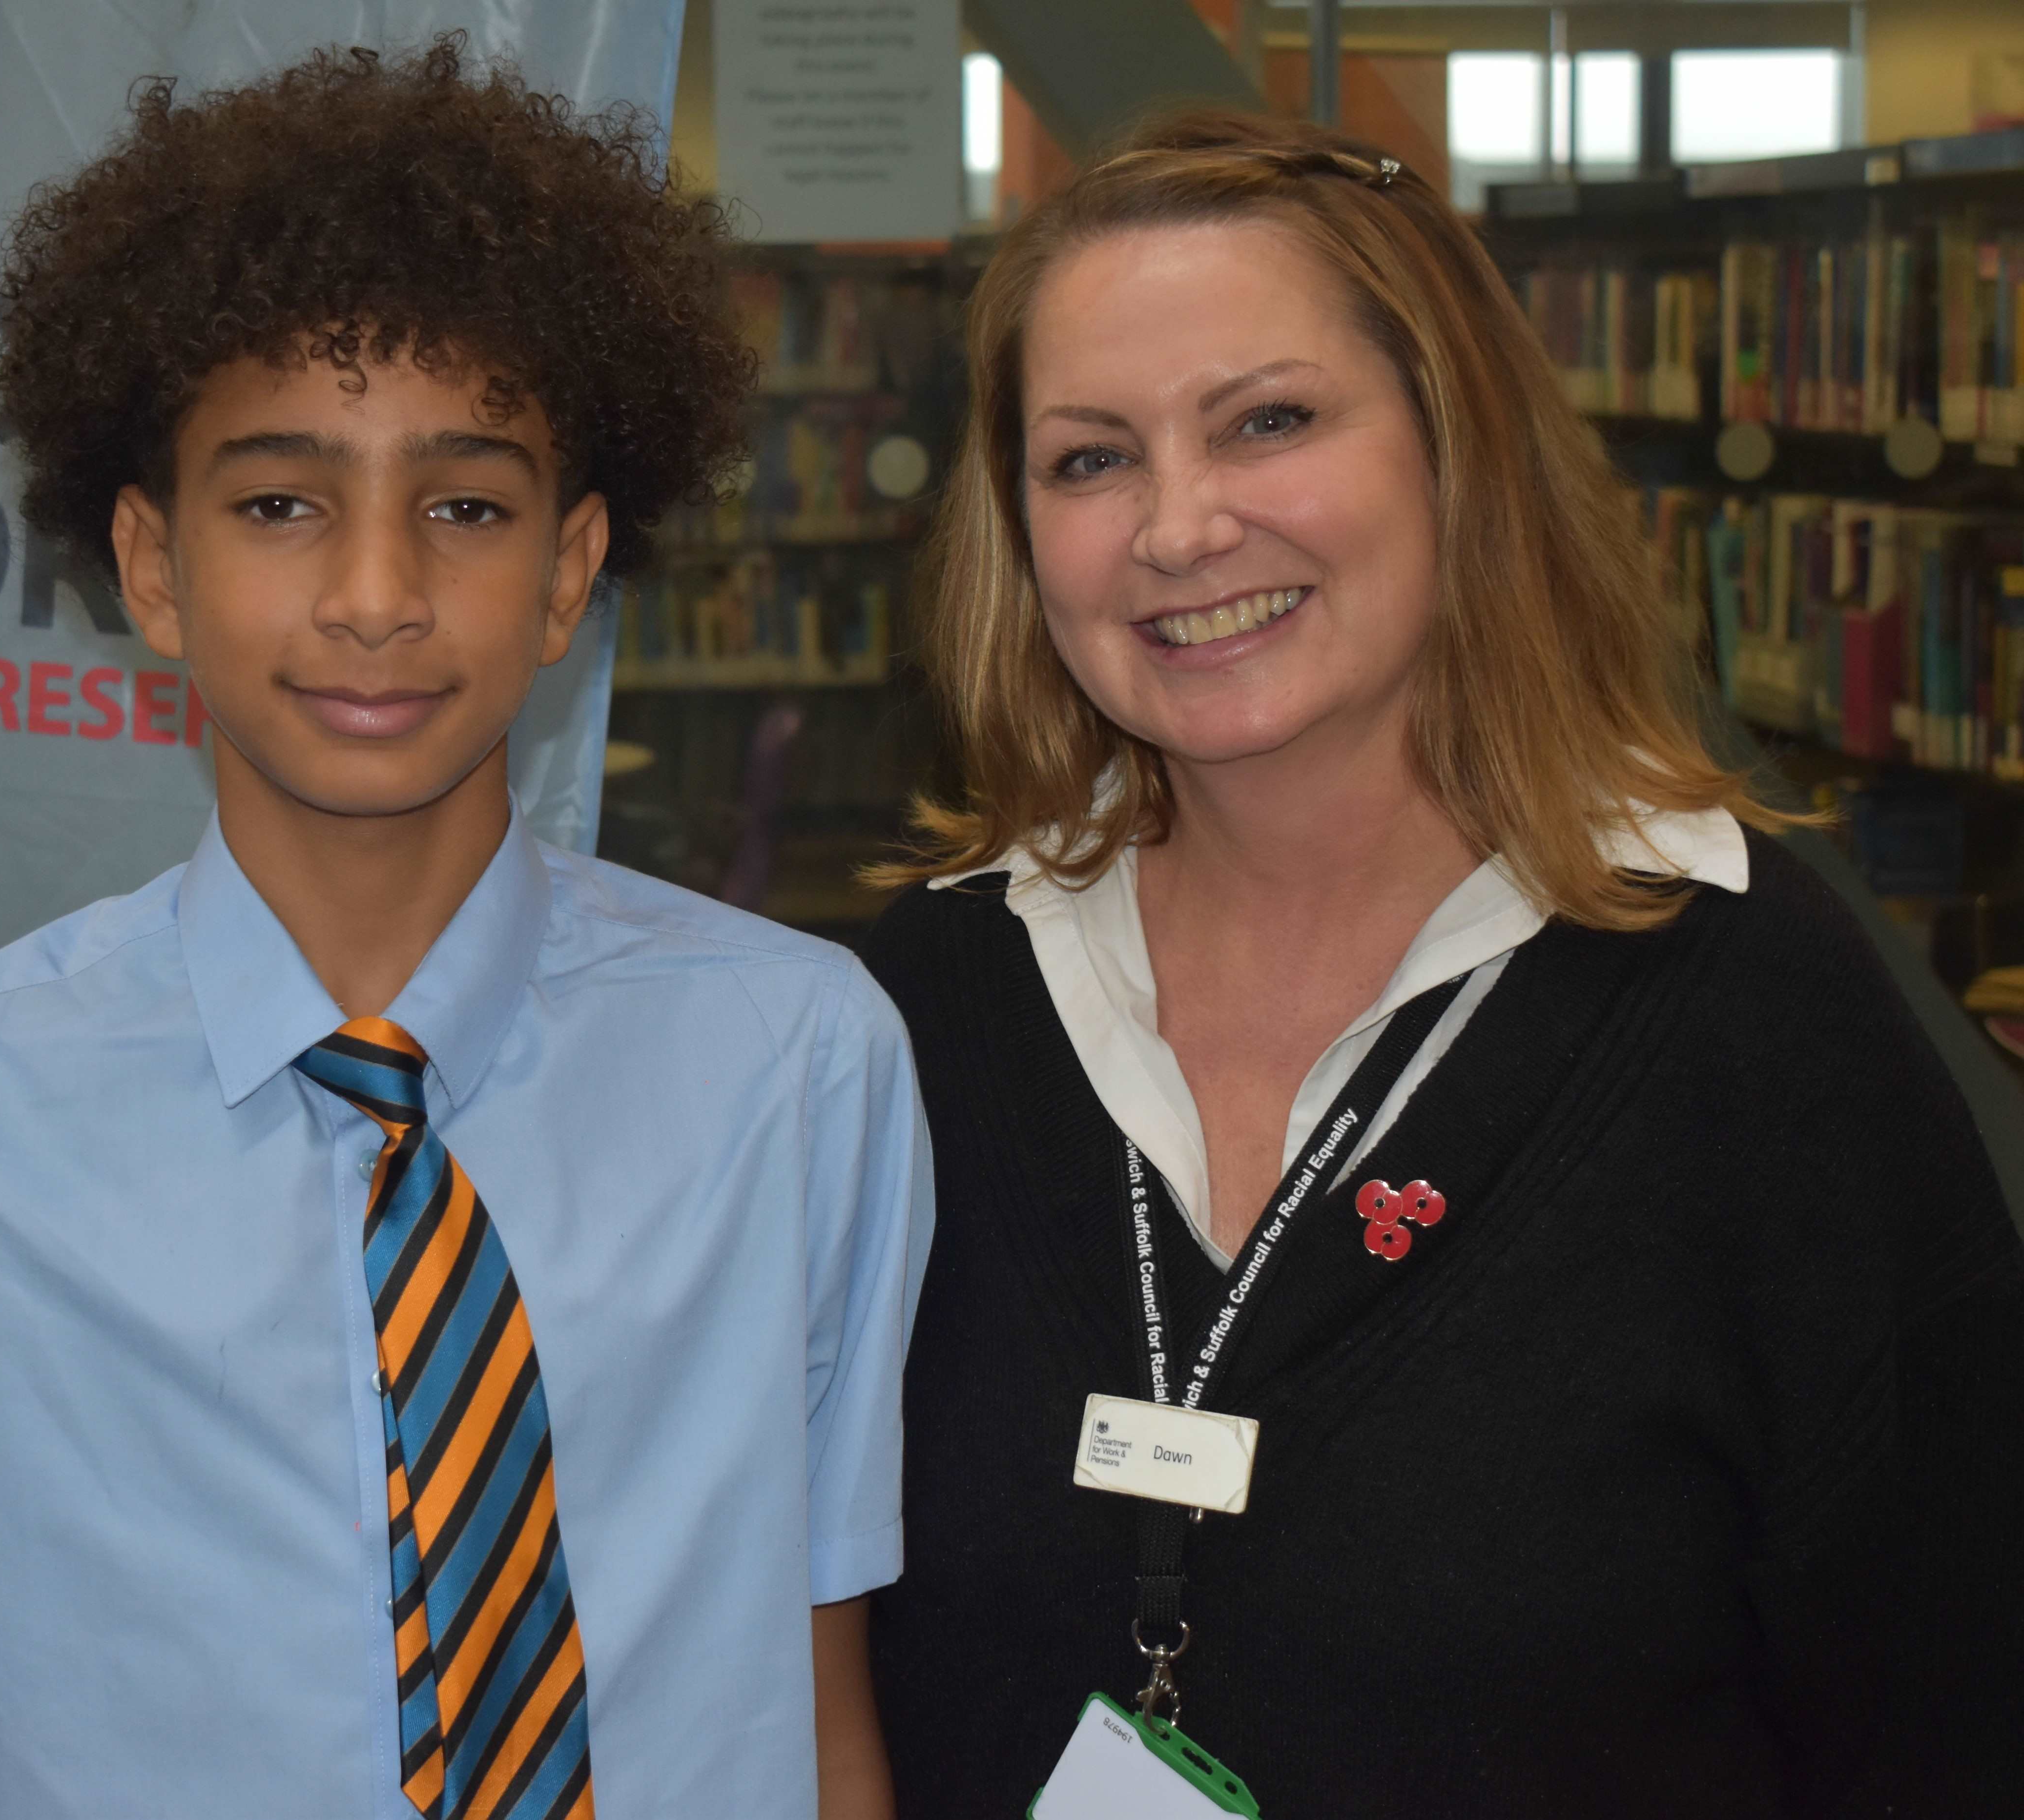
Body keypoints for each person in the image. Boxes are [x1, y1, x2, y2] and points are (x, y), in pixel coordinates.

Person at [0, 41, 927, 1820]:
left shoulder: (800, 1064)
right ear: (153, 566)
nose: (376, 596)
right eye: (281, 502)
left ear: (569, 573)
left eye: (467, 507)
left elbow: (820, 1704)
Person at [860, 110, 2024, 1817]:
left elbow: (1956, 1709)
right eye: (1092, 459)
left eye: (1268, 421)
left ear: (1453, 445)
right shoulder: (920, 1003)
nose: (1179, 527)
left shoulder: (1748, 1007)